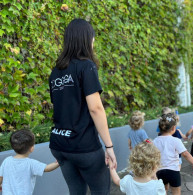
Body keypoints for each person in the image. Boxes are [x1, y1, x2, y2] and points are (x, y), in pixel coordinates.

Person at [49, 19, 117, 195]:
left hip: (59, 144)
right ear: (86, 39)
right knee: (100, 191)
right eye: (92, 38)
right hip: (84, 146)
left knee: (76, 191)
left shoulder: (55, 71)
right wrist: (109, 147)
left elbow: (61, 105)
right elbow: (95, 108)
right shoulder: (86, 66)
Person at [0, 130, 59, 195]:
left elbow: (1, 177)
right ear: (32, 148)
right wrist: (59, 162)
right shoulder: (31, 163)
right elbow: (47, 168)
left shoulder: (7, 161)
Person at [154, 113, 193, 195]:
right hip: (173, 171)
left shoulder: (155, 141)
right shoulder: (176, 141)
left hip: (159, 171)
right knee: (176, 192)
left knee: (162, 191)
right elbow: (186, 154)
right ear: (173, 128)